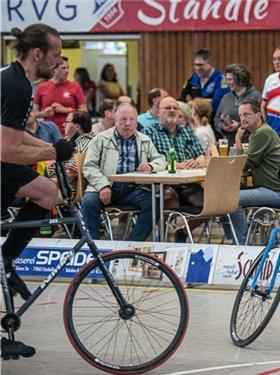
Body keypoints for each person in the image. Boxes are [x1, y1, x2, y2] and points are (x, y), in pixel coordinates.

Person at [1, 23, 72, 359]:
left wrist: (49, 145)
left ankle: (7, 258)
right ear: (38, 54)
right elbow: (7, 149)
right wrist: (52, 153)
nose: (61, 61)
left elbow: (13, 137)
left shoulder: (17, 80)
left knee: (48, 193)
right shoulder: (15, 86)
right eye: (56, 54)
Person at [81, 103, 166, 241]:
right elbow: (89, 166)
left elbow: (161, 160)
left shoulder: (145, 140)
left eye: (132, 119)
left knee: (155, 203)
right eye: (123, 119)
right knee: (88, 202)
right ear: (115, 120)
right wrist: (103, 185)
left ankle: (132, 244)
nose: (128, 123)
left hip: (132, 190)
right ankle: (94, 246)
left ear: (136, 121)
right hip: (105, 187)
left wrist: (150, 166)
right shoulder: (100, 139)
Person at [228, 100, 280, 244]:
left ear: (258, 115)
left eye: (247, 114)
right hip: (276, 189)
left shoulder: (261, 133)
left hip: (278, 192)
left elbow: (244, 163)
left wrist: (237, 138)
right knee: (226, 197)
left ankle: (241, 243)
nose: (243, 118)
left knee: (231, 198)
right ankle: (237, 238)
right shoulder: (260, 132)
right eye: (240, 115)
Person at [142, 96, 206, 209]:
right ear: (157, 112)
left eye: (175, 108)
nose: (172, 110)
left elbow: (201, 155)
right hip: (162, 184)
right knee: (170, 200)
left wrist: (196, 162)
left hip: (187, 182)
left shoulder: (187, 131)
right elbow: (147, 162)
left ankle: (181, 228)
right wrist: (175, 165)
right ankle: (161, 227)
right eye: (167, 108)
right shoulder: (148, 132)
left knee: (209, 204)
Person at [32, 56, 87, 135]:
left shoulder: (75, 86)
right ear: (54, 69)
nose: (67, 71)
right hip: (48, 132)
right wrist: (44, 113)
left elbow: (84, 111)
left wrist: (66, 110)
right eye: (63, 68)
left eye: (68, 68)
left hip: (70, 133)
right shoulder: (42, 87)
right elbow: (33, 113)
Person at [215, 63, 261, 145]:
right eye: (227, 79)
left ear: (240, 79)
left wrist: (239, 125)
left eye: (230, 79)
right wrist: (223, 127)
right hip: (229, 144)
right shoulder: (226, 98)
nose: (228, 83)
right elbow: (217, 120)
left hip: (250, 144)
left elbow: (260, 120)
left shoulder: (255, 96)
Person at [179, 48, 229, 116]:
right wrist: (207, 101)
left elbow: (217, 102)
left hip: (214, 118)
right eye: (196, 65)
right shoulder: (192, 78)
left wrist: (192, 103)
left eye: (200, 65)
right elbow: (182, 99)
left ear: (210, 63)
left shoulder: (221, 79)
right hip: (195, 118)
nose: (197, 68)